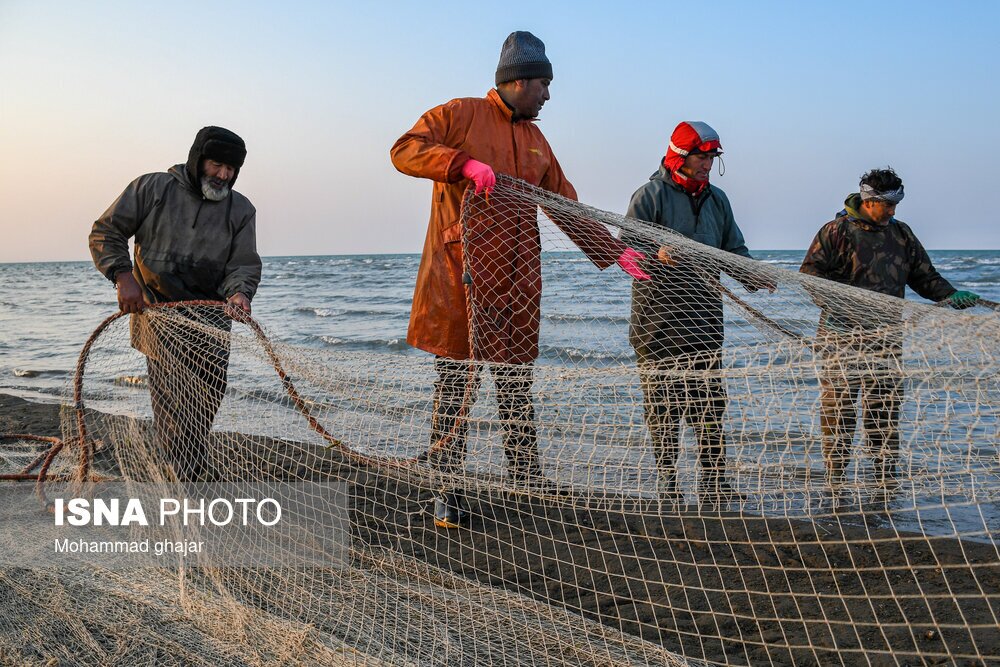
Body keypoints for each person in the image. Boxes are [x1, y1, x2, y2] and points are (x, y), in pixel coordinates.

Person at [390, 31, 650, 528]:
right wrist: (460, 164)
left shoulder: (536, 141)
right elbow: (404, 149)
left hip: (517, 278)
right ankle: (447, 489)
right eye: (544, 85)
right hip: (459, 278)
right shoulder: (459, 113)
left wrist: (614, 252)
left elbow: (565, 206)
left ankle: (527, 478)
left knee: (515, 384)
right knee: (455, 388)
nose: (549, 95)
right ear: (519, 81)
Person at [89, 126, 261, 481]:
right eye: (216, 165)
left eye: (231, 170)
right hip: (157, 311)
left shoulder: (241, 209)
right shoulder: (152, 188)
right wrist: (123, 277)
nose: (223, 175)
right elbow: (106, 231)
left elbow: (242, 263)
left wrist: (240, 293)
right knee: (173, 395)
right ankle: (179, 470)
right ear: (198, 159)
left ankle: (191, 463)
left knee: (209, 393)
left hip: (212, 316)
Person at [623, 121, 774, 505]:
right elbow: (626, 252)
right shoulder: (650, 195)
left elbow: (732, 249)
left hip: (705, 321)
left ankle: (714, 482)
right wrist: (656, 254)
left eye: (711, 158)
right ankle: (668, 485)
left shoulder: (718, 200)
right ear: (680, 156)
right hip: (656, 324)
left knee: (710, 406)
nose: (707, 164)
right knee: (662, 407)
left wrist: (751, 275)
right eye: (700, 157)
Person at [800, 167, 978, 488]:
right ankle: (835, 484)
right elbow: (810, 277)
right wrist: (843, 308)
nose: (894, 210)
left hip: (887, 341)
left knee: (884, 416)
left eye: (897, 203)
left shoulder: (902, 234)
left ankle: (884, 486)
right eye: (888, 204)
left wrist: (951, 294)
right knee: (839, 414)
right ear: (869, 201)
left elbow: (925, 277)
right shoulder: (836, 231)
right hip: (841, 339)